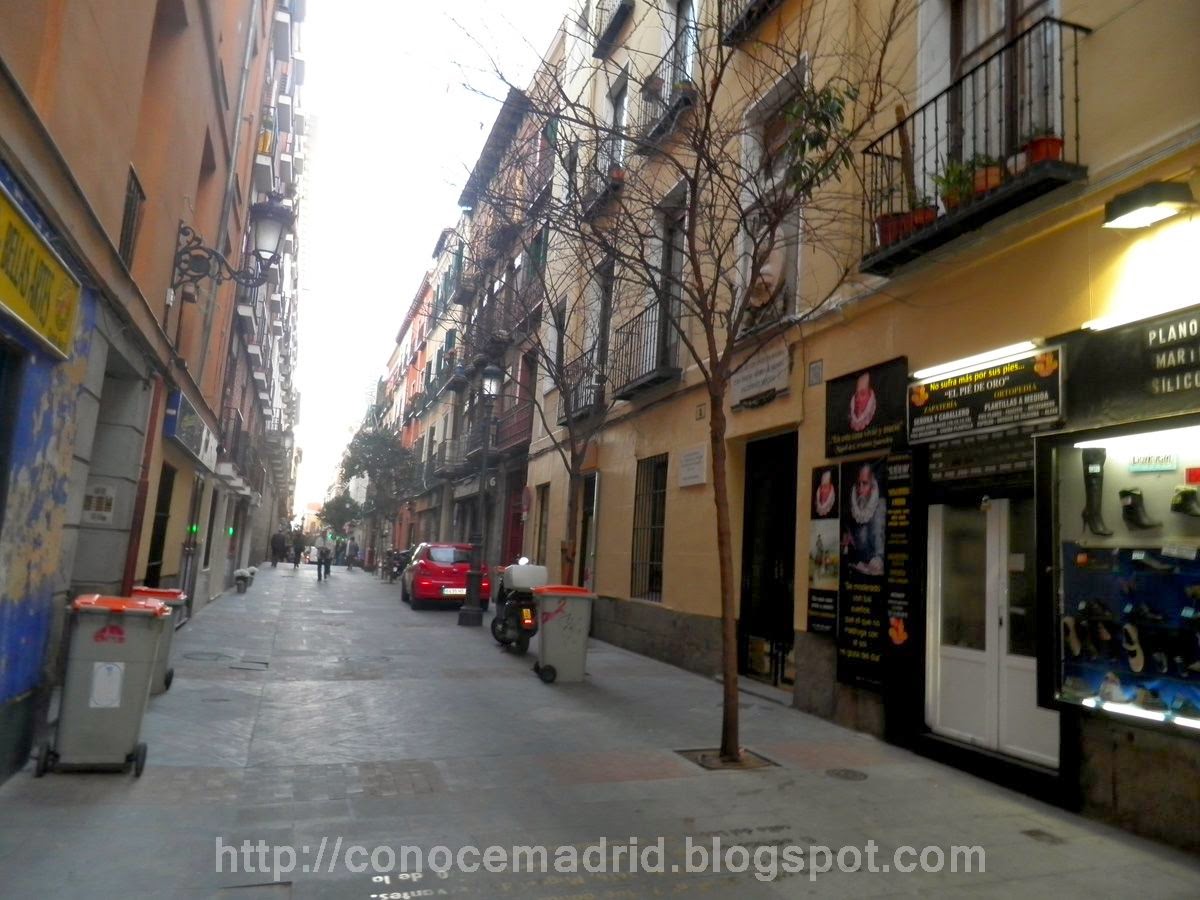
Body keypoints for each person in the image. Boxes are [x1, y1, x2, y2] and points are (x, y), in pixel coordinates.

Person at [842, 462, 885, 576]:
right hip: (857, 569)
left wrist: (877, 560)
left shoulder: (880, 507)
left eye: (865, 483)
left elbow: (880, 548)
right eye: (858, 484)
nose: (860, 488)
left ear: (872, 485)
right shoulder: (852, 508)